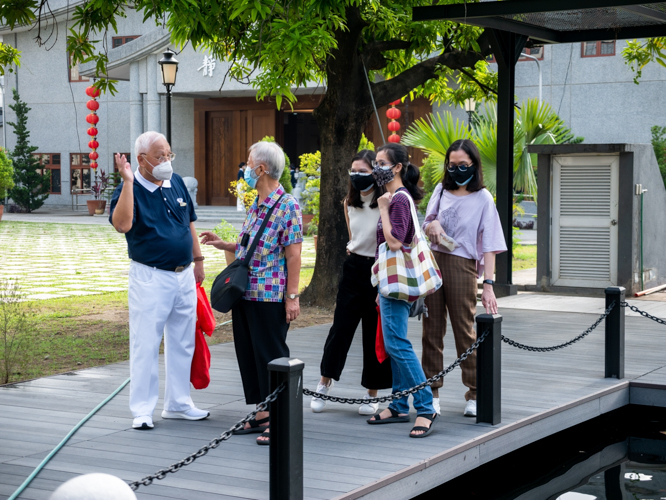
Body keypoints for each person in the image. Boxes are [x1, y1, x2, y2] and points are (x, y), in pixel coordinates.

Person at [200, 141, 302, 445]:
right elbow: (253, 245)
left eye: (248, 163)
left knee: (271, 355)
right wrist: (226, 245)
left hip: (270, 294)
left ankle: (280, 416)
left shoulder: (287, 205)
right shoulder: (257, 202)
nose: (244, 168)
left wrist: (292, 296)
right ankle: (262, 412)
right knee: (249, 355)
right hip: (245, 292)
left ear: (260, 169)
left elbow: (294, 255)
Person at [110, 131, 210, 431]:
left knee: (183, 341)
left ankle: (179, 403)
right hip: (150, 276)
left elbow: (189, 222)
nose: (166, 161)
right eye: (159, 156)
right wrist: (128, 182)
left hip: (183, 275)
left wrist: (199, 259)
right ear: (141, 160)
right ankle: (142, 409)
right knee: (146, 343)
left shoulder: (175, 181)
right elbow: (122, 224)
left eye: (168, 154)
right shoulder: (131, 188)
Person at [421, 139, 506, 418]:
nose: (456, 170)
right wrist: (432, 223)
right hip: (433, 262)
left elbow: (490, 244)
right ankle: (431, 392)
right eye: (452, 165)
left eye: (463, 165)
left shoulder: (483, 198)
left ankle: (475, 392)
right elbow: (426, 222)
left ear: (474, 165)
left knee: (464, 331)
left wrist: (489, 286)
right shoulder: (440, 190)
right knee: (431, 331)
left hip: (463, 265)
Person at [311, 150, 393, 415]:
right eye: (353, 171)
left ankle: (372, 392)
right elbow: (353, 236)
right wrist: (351, 246)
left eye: (364, 171)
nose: (357, 176)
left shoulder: (386, 202)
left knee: (373, 332)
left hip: (379, 269)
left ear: (376, 174)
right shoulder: (348, 201)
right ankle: (325, 381)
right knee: (340, 329)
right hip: (354, 267)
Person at [366, 143, 438, 438]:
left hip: (398, 282)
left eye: (381, 163)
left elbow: (395, 241)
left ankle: (425, 406)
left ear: (397, 168)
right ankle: (398, 404)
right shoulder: (395, 198)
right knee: (395, 339)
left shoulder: (397, 200)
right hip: (391, 281)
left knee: (397, 343)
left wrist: (383, 208)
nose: (376, 168)